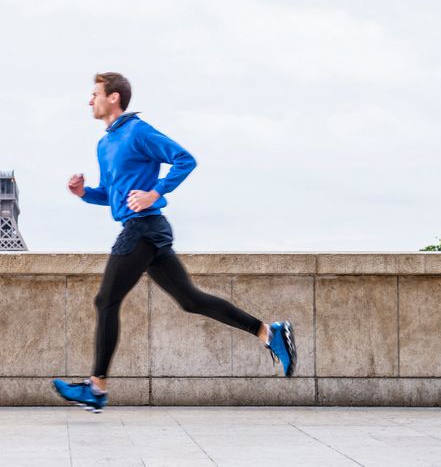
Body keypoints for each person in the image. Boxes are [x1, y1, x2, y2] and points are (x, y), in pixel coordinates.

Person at [52, 72, 297, 413]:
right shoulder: (104, 144)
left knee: (106, 300)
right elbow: (111, 195)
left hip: (144, 227)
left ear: (114, 98)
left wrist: (156, 191)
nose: (89, 100)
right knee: (190, 300)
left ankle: (96, 388)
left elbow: (185, 159)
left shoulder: (138, 131)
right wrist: (83, 193)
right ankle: (269, 333)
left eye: (94, 93)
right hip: (144, 228)